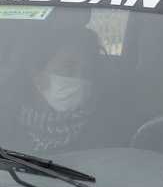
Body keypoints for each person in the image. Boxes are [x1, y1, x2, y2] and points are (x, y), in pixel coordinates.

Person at [0, 24, 102, 153]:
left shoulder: (103, 132)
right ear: (36, 74)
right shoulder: (5, 121)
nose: (79, 79)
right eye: (69, 67)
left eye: (87, 71)